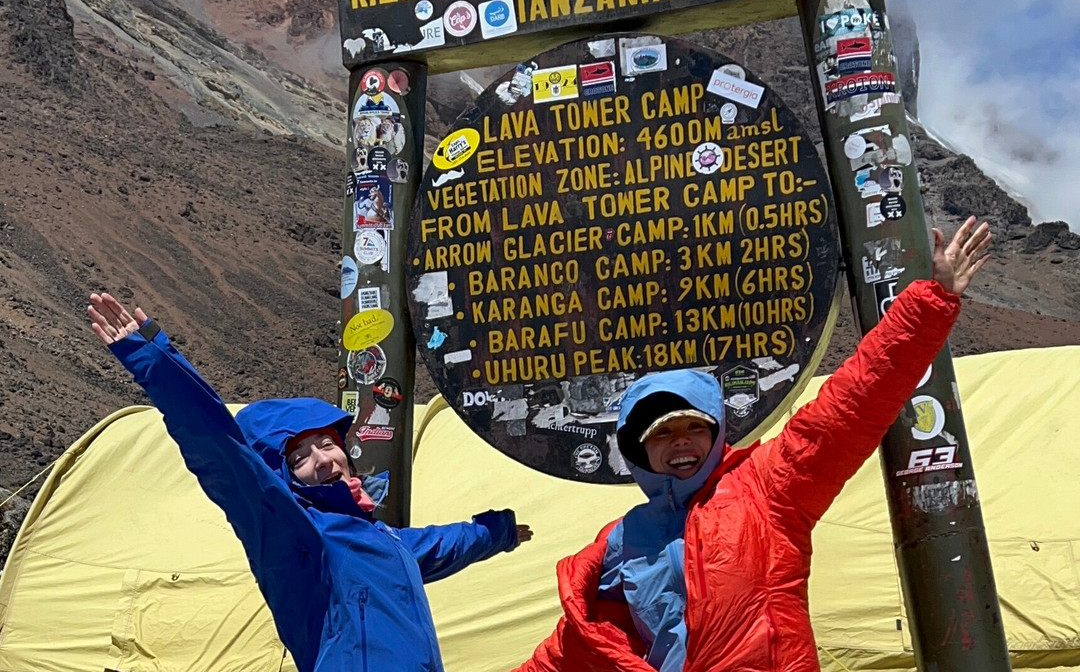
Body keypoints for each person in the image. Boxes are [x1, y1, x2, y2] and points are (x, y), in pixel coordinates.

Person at [513, 216, 992, 672]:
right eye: (661, 433)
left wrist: (930, 303)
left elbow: (849, 409)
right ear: (639, 450)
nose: (680, 441)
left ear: (717, 433)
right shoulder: (622, 541)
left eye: (693, 427)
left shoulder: (766, 490)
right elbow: (569, 649)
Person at [87, 293, 532, 672]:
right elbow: (221, 450)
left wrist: (499, 532)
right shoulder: (292, 531)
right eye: (299, 458)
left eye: (326, 443)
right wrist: (153, 358)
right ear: (284, 477)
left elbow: (443, 545)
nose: (321, 460)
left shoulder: (385, 539)